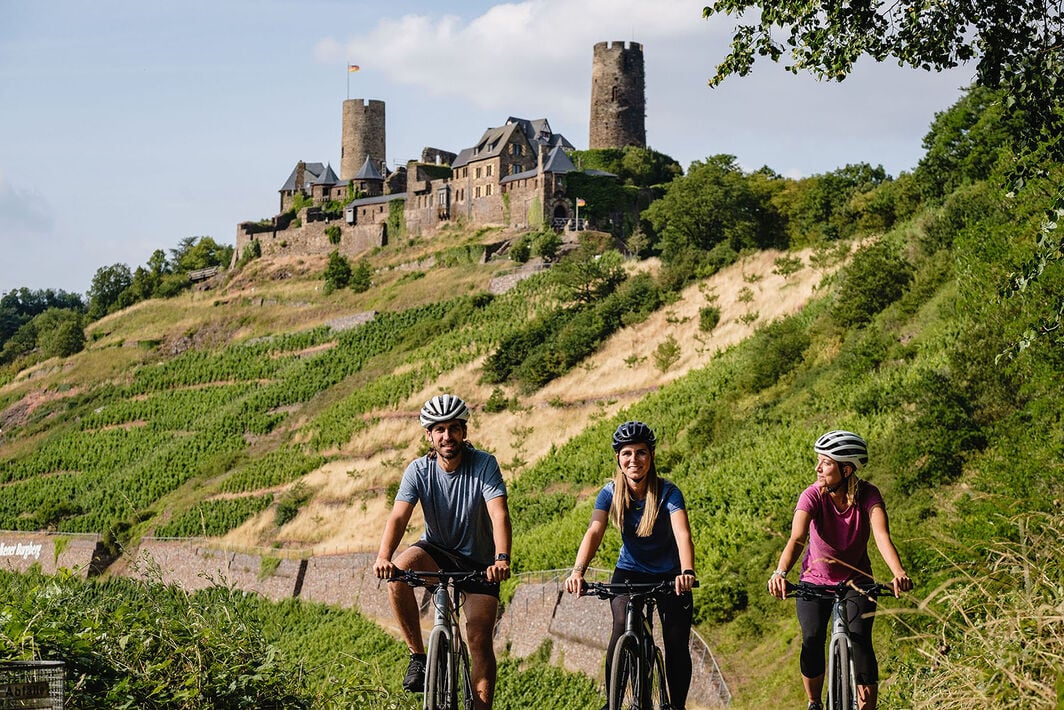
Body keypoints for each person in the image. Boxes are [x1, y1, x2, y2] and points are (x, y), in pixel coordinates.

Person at [373, 394, 512, 710]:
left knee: (478, 639)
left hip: (480, 562)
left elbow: (499, 513)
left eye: (453, 428)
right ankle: (418, 658)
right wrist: (383, 556)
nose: (447, 436)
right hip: (436, 550)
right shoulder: (418, 470)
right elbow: (398, 516)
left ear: (463, 431)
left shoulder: (484, 464)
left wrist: (501, 559)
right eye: (439, 430)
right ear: (429, 435)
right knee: (397, 575)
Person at [767, 430, 913, 710]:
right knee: (811, 638)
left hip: (857, 582)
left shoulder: (869, 495)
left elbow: (882, 536)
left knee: (860, 643)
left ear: (846, 469)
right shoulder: (812, 495)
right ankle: (813, 703)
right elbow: (797, 538)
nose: (817, 468)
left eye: (825, 462)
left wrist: (898, 572)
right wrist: (780, 572)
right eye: (818, 461)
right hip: (814, 581)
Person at [564, 421, 697, 710]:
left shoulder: (668, 492)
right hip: (630, 571)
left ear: (651, 456)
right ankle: (612, 701)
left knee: (676, 644)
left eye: (641, 453)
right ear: (618, 459)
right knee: (621, 627)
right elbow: (594, 531)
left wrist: (687, 572)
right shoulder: (610, 492)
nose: (634, 460)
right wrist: (578, 571)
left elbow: (682, 533)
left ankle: (677, 706)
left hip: (671, 576)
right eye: (627, 453)